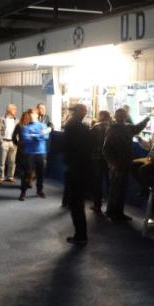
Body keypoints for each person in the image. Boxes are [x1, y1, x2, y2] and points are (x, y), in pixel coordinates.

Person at [102, 109, 149, 222]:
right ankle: (112, 213)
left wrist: (146, 119)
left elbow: (138, 127)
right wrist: (112, 164)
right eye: (120, 115)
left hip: (125, 163)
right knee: (116, 189)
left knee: (121, 189)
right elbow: (106, 150)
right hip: (117, 165)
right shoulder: (112, 130)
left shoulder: (127, 128)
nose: (122, 117)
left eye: (123, 115)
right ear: (116, 116)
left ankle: (118, 213)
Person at [62, 104, 92, 245]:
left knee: (76, 204)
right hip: (83, 169)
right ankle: (81, 234)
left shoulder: (71, 127)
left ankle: (80, 236)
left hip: (75, 169)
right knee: (77, 203)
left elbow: (66, 147)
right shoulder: (84, 128)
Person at [19, 108, 50, 201]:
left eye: (32, 113)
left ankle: (39, 190)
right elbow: (26, 139)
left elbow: (45, 137)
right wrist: (39, 134)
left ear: (37, 115)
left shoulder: (43, 125)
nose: (31, 115)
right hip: (29, 154)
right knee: (27, 174)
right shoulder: (25, 127)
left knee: (40, 174)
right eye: (30, 113)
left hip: (41, 153)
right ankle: (23, 192)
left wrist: (33, 135)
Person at [89, 110, 111, 214]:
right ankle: (110, 206)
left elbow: (89, 141)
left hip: (97, 158)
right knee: (109, 182)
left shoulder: (96, 127)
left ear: (102, 116)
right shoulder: (113, 127)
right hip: (109, 159)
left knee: (97, 182)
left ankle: (97, 205)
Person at [0, 104, 18, 184]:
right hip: (4, 142)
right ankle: (1, 177)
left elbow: (18, 132)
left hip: (13, 143)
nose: (15, 111)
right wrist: (1, 142)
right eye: (14, 109)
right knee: (2, 162)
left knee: (12, 161)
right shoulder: (1, 119)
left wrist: (17, 141)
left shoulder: (16, 120)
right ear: (9, 110)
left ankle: (10, 177)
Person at [12, 110, 32, 184]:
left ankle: (23, 181)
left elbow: (13, 136)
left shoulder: (19, 125)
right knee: (30, 166)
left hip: (21, 148)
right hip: (30, 149)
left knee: (21, 166)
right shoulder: (31, 126)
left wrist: (17, 144)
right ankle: (29, 181)